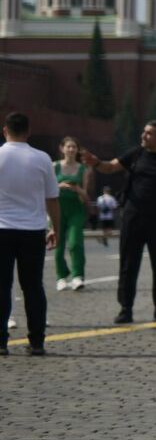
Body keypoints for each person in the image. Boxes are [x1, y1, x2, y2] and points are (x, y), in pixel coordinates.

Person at [84, 119, 156, 324]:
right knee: (128, 264)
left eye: (148, 133)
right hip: (132, 216)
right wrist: (96, 162)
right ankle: (125, 309)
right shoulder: (135, 154)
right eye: (143, 132)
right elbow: (110, 167)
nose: (143, 136)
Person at [0, 112, 59, 356]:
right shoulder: (42, 158)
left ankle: (1, 342)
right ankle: (37, 341)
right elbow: (52, 198)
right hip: (33, 230)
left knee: (1, 286)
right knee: (33, 286)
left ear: (5, 130)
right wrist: (56, 228)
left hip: (1, 229)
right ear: (28, 131)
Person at [52, 137, 89, 292]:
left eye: (74, 147)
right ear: (62, 149)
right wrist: (59, 185)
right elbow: (48, 190)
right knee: (58, 245)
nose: (72, 150)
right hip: (58, 208)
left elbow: (86, 197)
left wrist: (77, 189)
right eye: (69, 147)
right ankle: (61, 277)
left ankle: (77, 276)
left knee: (75, 242)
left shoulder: (83, 169)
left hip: (76, 209)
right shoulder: (54, 166)